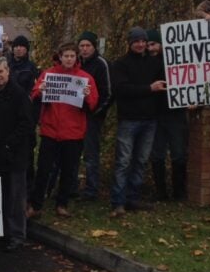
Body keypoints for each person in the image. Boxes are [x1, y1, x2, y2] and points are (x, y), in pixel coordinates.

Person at [27, 42, 97, 218]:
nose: (69, 59)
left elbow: (94, 103)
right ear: (60, 57)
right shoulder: (48, 75)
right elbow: (34, 95)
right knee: (43, 169)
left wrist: (88, 96)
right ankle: (36, 205)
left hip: (73, 132)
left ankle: (62, 204)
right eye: (66, 56)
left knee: (69, 170)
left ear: (76, 57)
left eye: (72, 56)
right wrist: (41, 91)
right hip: (50, 130)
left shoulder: (85, 78)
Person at [109, 27, 167, 217]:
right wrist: (149, 89)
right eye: (137, 41)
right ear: (130, 43)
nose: (141, 44)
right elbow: (122, 90)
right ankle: (118, 201)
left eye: (143, 41)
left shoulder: (155, 63)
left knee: (141, 161)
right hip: (129, 120)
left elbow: (167, 83)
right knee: (124, 161)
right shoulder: (121, 64)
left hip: (150, 120)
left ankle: (132, 198)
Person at [0, 56, 34, 251]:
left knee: (15, 198)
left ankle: (17, 235)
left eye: (0, 72)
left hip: (14, 155)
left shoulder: (19, 95)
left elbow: (27, 124)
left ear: (8, 72)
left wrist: (10, 144)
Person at [147, 30, 188, 200]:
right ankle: (161, 193)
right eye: (148, 45)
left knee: (178, 154)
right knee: (157, 155)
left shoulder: (175, 61)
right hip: (155, 115)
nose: (150, 48)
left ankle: (179, 192)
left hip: (175, 114)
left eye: (153, 44)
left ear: (162, 44)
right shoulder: (145, 64)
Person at [76, 32, 112, 200]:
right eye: (82, 46)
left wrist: (97, 113)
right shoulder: (75, 63)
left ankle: (92, 189)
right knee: (74, 153)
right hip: (75, 116)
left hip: (92, 117)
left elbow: (108, 93)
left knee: (91, 154)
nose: (84, 49)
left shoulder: (101, 64)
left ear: (94, 46)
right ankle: (72, 186)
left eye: (87, 46)